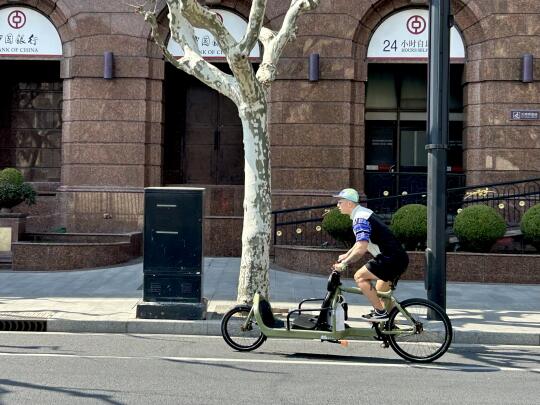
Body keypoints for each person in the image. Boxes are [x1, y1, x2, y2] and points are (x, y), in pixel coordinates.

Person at [331, 188, 409, 322]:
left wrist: (344, 264)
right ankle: (388, 327)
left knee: (359, 276)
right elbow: (360, 242)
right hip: (395, 257)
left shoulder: (360, 219)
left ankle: (381, 313)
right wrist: (346, 254)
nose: (337, 205)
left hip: (390, 259)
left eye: (340, 202)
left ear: (349, 203)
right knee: (381, 297)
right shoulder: (363, 213)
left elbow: (361, 248)